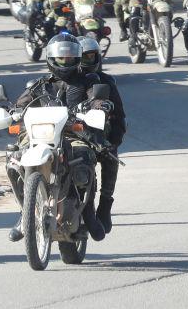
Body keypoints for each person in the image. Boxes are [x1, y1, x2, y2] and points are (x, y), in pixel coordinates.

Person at [5, 34, 107, 243]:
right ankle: (25, 212)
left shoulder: (88, 81)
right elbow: (22, 102)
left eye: (70, 58)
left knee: (83, 157)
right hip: (39, 134)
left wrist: (99, 105)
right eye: (61, 58)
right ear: (51, 59)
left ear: (77, 59)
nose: (65, 62)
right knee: (14, 157)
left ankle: (88, 213)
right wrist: (13, 111)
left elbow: (97, 98)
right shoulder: (40, 84)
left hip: (72, 132)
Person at [77, 35, 125, 233]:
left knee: (110, 156)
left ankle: (105, 204)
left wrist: (112, 141)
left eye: (88, 57)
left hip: (95, 134)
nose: (83, 63)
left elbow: (119, 117)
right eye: (78, 58)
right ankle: (27, 210)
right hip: (59, 133)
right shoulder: (56, 80)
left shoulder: (105, 82)